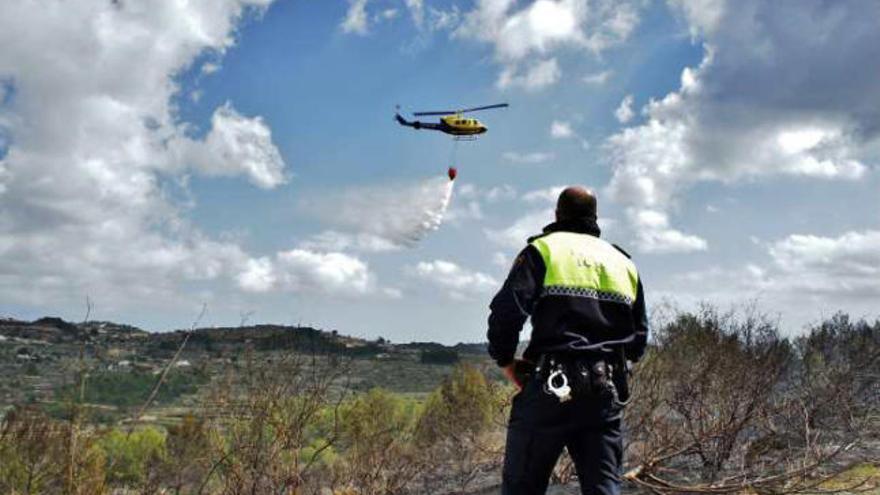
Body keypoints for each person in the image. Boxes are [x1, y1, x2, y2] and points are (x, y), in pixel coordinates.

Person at [487, 186, 648, 495]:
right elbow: (639, 339)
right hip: (604, 393)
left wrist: (507, 361)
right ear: (595, 218)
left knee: (522, 487)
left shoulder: (543, 250)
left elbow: (507, 313)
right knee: (604, 490)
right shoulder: (623, 263)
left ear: (557, 215)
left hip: (549, 389)